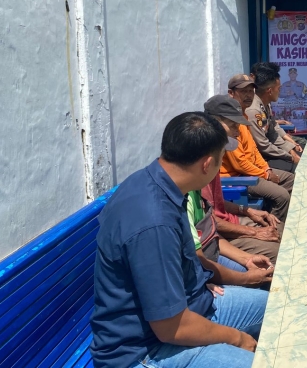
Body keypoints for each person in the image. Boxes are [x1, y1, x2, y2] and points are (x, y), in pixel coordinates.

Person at [91, 112, 271, 368]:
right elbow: (171, 327)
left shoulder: (162, 184)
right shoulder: (154, 222)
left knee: (274, 309)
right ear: (207, 164)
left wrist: (196, 281)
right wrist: (237, 338)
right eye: (221, 160)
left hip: (190, 305)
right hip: (147, 349)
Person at [205, 95, 293, 226]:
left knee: (291, 179)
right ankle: (275, 228)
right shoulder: (212, 151)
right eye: (243, 92)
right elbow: (240, 165)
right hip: (239, 178)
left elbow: (254, 149)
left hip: (252, 173)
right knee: (282, 196)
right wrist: (266, 175)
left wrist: (266, 168)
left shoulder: (242, 122)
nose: (248, 95)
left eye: (251, 91)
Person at [246, 63, 303, 173]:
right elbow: (263, 146)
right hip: (259, 159)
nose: (280, 91)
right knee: (296, 166)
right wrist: (290, 156)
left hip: (268, 152)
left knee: (301, 153)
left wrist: (289, 148)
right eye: (279, 88)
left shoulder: (265, 104)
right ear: (270, 91)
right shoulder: (254, 111)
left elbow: (272, 132)